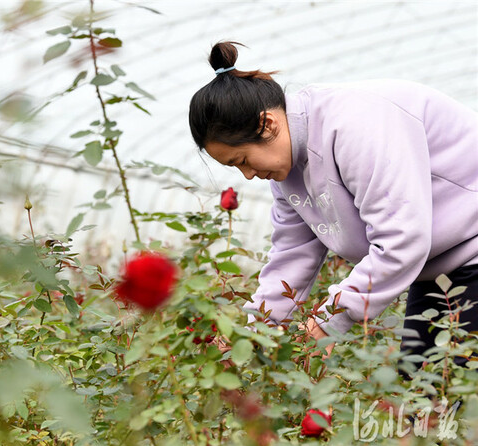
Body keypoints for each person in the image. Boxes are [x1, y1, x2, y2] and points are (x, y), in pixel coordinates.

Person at [189, 41, 478, 376]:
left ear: (267, 125)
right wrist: (251, 333)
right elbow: (292, 255)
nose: (249, 175)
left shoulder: (354, 126)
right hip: (440, 272)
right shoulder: (287, 171)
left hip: (472, 250)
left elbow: (403, 239)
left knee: (446, 397)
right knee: (422, 396)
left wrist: (328, 320)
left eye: (242, 160)